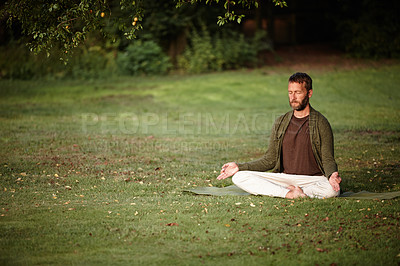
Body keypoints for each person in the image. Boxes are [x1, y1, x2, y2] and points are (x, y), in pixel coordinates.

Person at [217, 72, 342, 199]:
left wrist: (332, 174)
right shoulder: (281, 122)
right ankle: (290, 194)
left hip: (311, 179)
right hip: (285, 178)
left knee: (332, 190)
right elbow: (270, 159)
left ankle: (292, 192)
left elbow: (327, 158)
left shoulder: (321, 123)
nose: (293, 97)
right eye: (290, 92)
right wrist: (239, 167)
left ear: (309, 93)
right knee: (240, 177)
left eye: (298, 92)